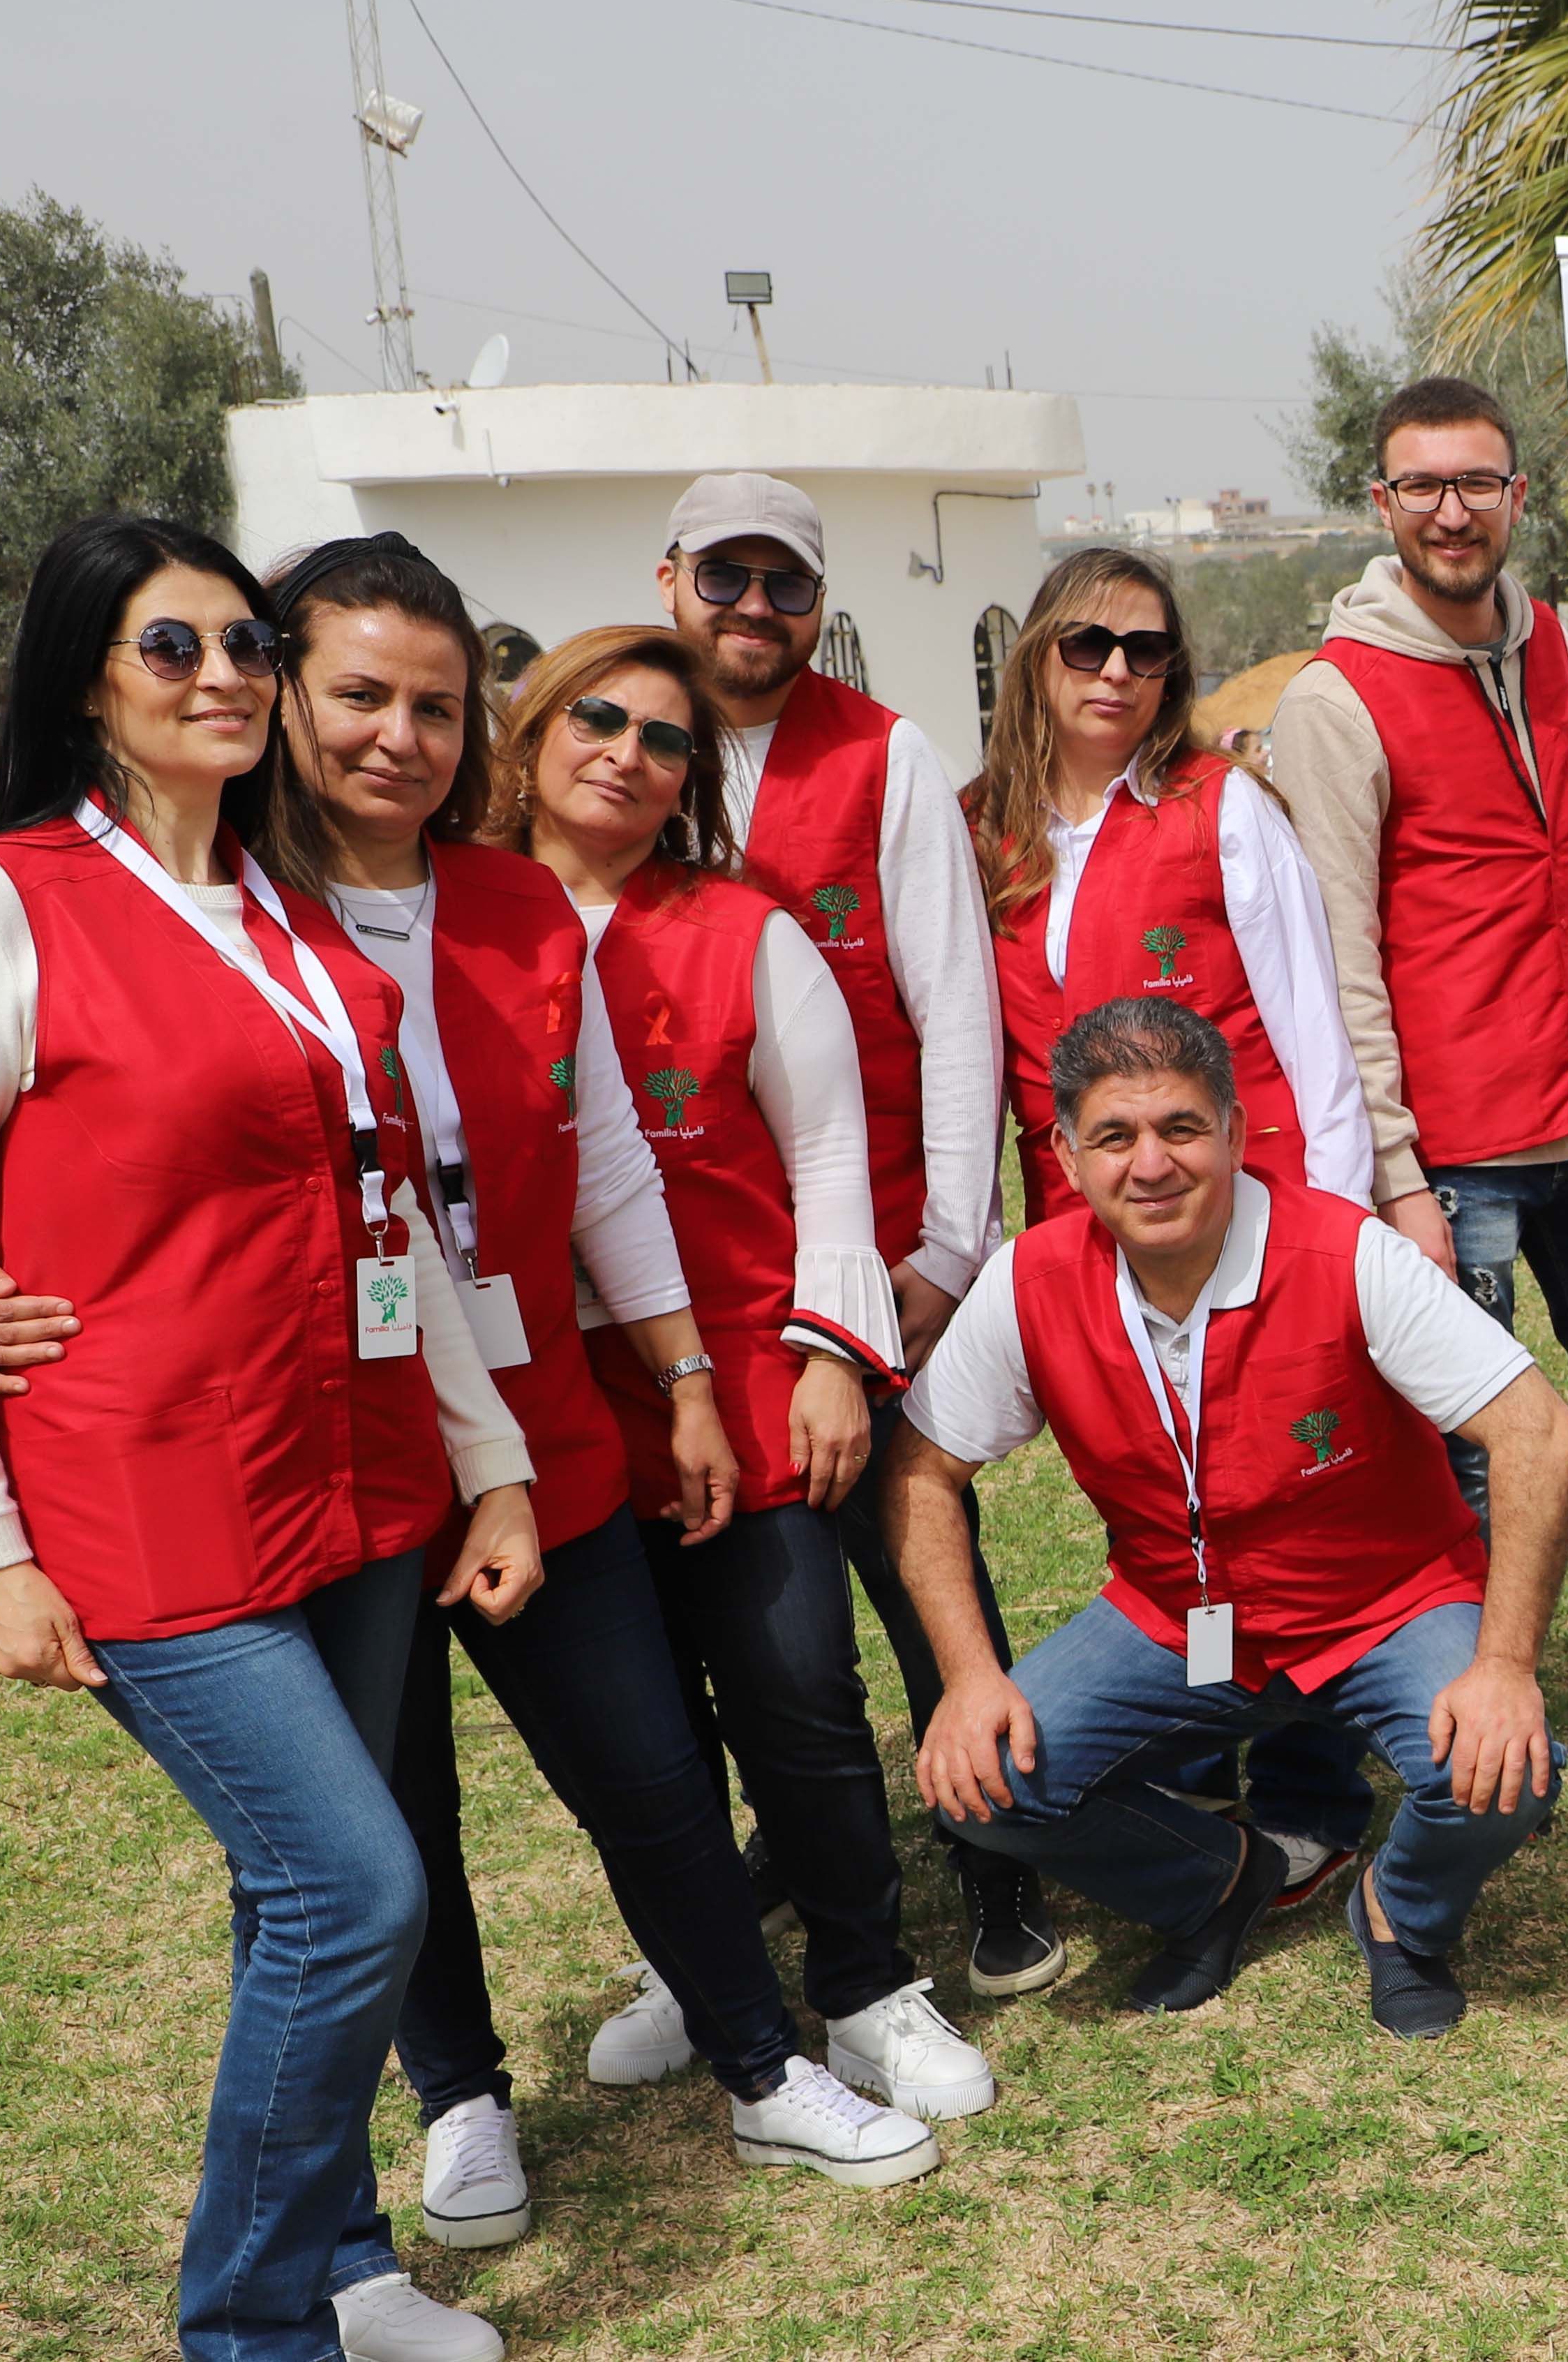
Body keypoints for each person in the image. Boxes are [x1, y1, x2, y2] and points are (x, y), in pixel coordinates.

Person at [0, 537, 945, 2249]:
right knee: (390, 1808)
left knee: (647, 1767)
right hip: (322, 1444)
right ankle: (464, 2094)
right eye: (357, 695)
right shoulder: (217, 896)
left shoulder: (508, 904)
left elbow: (611, 1166)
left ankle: (761, 2064)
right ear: (284, 694)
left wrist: (687, 1372)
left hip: (534, 1419)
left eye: (433, 704)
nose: (398, 736)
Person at [0, 514, 546, 2362]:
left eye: (246, 644)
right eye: (178, 648)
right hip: (147, 1492)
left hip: (365, 1472)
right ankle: (247, 2321)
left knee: (287, 1894)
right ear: (90, 675)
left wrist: (495, 1457)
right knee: (355, 1882)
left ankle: (340, 2256)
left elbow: (394, 1207)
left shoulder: (291, 902)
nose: (225, 677)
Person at [483, 623, 1004, 2132]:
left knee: (797, 1684)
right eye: (600, 719)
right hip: (547, 1398)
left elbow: (832, 1154)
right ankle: (697, 1968)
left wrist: (839, 1356)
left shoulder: (742, 929)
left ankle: (863, 1987)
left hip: (752, 1372)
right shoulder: (450, 928)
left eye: (666, 742)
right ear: (528, 733)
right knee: (641, 1729)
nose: (629, 756)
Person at [887, 997, 1568, 2033]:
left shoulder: (1349, 1251)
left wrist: (1506, 1666)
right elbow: (920, 1470)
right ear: (1068, 1160)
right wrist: (970, 1673)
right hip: (1178, 1613)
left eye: (1180, 1127)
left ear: (1235, 1132)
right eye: (1114, 1136)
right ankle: (1216, 1880)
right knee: (979, 1788)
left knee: (1503, 1769)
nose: (1151, 1164)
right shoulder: (1029, 1281)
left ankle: (1403, 1915)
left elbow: (1538, 1432)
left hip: (1388, 1603)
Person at [652, 473, 1050, 1984]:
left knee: (917, 1546)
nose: (757, 611)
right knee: (752, 1587)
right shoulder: (617, 737)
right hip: (690, 1262)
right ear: (672, 575)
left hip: (879, 1253)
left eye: (789, 586)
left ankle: (998, 1852)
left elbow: (958, 1010)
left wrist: (949, 1252)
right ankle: (791, 1839)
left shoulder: (886, 755)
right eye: (728, 579)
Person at [964, 542, 1384, 1941]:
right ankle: (1202, 1768)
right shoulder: (988, 829)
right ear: (1038, 654)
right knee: (1164, 1497)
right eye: (1089, 646)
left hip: (1251, 1221)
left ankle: (1316, 1785)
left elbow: (1306, 1023)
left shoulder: (1218, 807)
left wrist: (1339, 1224)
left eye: (1147, 653)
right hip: (1097, 1241)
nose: (1118, 675)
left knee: (1298, 1493)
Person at [1267, 376, 1568, 1753]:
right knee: (1479, 1459)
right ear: (1380, 503)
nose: (1450, 508)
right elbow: (1337, 963)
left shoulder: (1544, 640)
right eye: (1421, 485)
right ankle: (1485, 1703)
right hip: (1459, 1152)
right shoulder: (1335, 697)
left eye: (1475, 483)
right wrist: (1399, 1178)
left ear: (1515, 497)